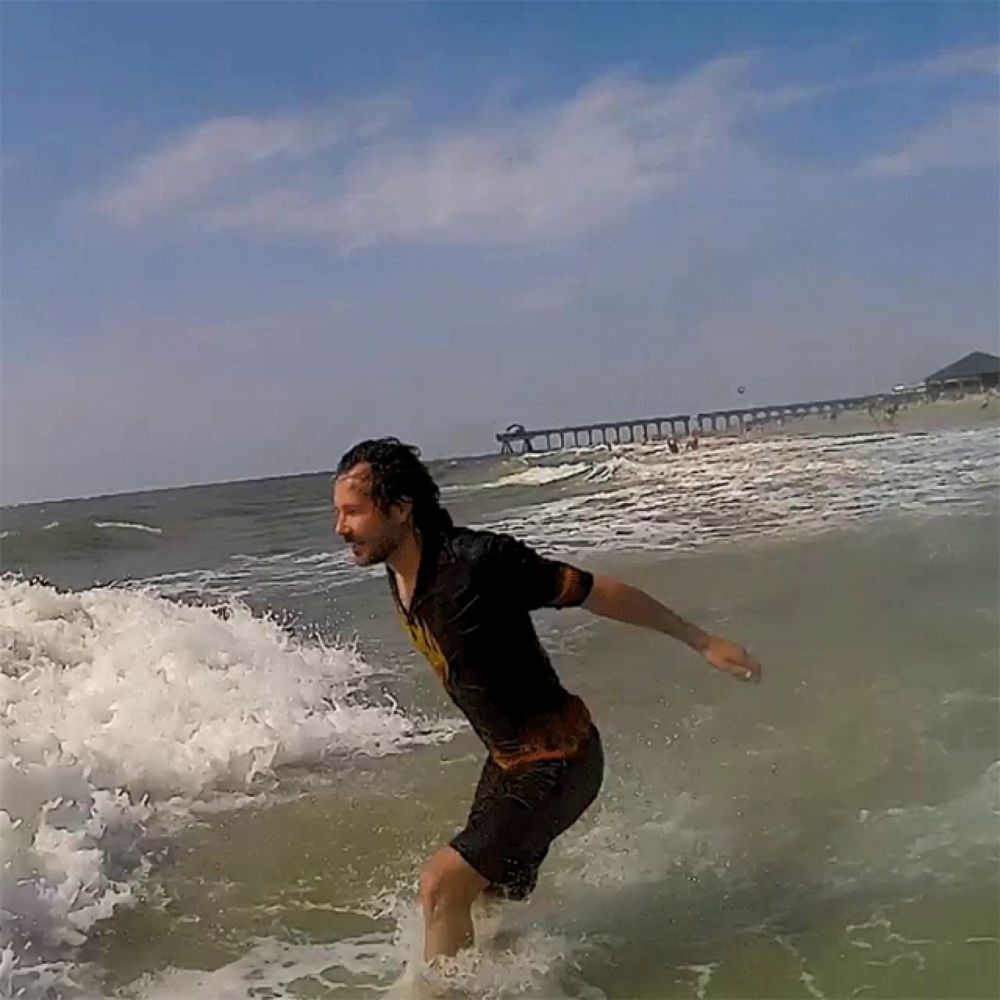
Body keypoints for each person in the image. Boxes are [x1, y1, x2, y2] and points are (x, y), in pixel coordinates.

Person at [331, 438, 761, 965]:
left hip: (562, 759)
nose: (340, 527)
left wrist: (700, 640)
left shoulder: (479, 563)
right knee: (483, 905)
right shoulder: (397, 574)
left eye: (353, 511)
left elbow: (597, 591)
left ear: (401, 509)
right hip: (508, 762)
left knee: (440, 885)